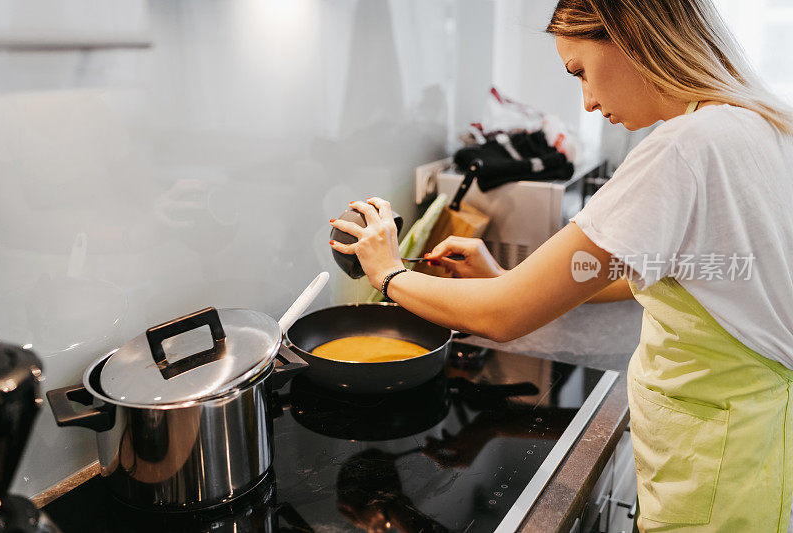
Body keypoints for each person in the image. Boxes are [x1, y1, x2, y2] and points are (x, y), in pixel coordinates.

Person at [329, 0, 793, 530]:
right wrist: (514, 282)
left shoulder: (683, 150)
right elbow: (672, 271)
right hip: (751, 445)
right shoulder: (756, 122)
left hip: (716, 473)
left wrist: (388, 273)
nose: (588, 102)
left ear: (631, 37)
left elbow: (504, 318)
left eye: (581, 72)